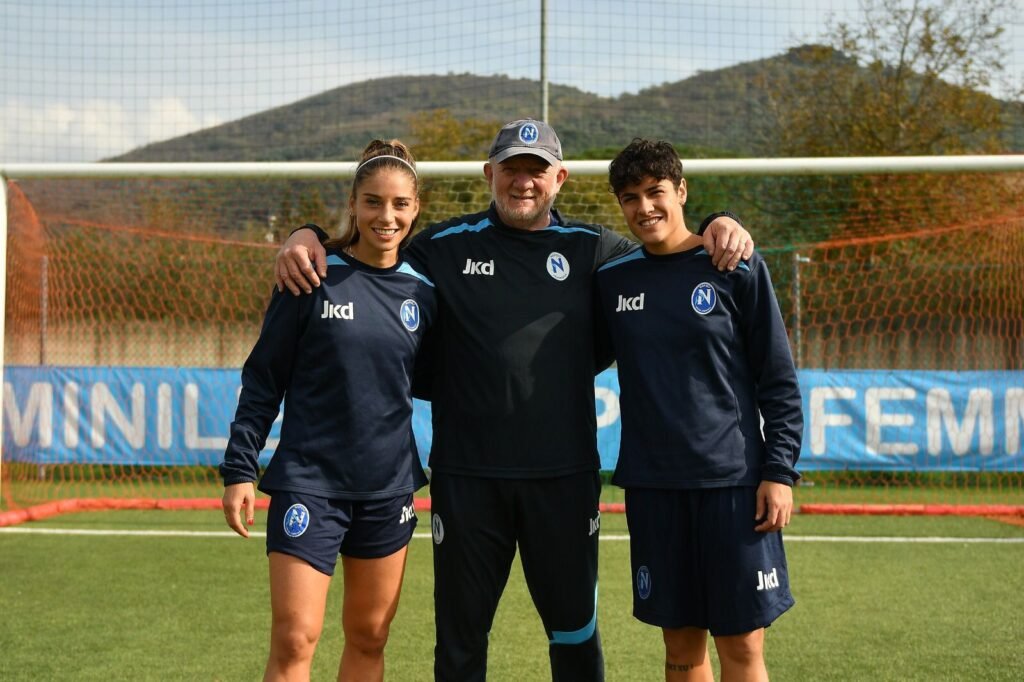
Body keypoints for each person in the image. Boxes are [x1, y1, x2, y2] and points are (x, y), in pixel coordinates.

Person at [274, 119, 754, 681]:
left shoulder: (595, 250)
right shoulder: (442, 248)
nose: (523, 181)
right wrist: (307, 234)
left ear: (560, 179)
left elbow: (667, 249)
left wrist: (718, 222)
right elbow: (372, 251)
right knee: (460, 641)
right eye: (511, 169)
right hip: (468, 480)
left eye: (537, 170)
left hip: (564, 479)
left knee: (575, 636)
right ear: (489, 174)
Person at [220, 139, 435, 682]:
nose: (386, 217)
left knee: (370, 636)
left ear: (416, 208)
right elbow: (264, 379)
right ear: (353, 204)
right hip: (309, 483)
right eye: (373, 202)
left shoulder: (426, 290)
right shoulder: (309, 275)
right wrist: (240, 468)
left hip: (388, 488)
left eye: (400, 204)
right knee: (295, 639)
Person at [594, 138, 802, 681]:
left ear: (681, 191)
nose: (645, 208)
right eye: (630, 197)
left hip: (733, 485)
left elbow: (778, 379)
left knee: (742, 647)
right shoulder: (613, 280)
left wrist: (779, 472)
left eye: (656, 192)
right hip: (654, 488)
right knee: (682, 649)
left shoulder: (734, 266)